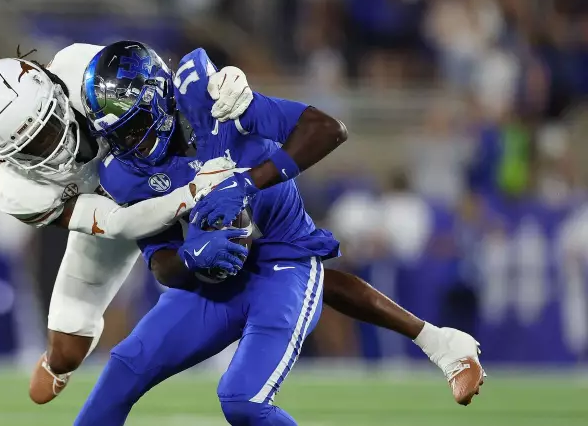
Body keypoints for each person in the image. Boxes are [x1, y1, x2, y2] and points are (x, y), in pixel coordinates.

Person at [74, 41, 485, 425]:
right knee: (125, 368)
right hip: (214, 280)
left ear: (159, 98)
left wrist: (248, 181)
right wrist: (189, 259)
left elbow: (327, 130)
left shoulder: (219, 100)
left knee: (241, 400)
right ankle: (441, 342)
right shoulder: (124, 174)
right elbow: (160, 261)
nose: (128, 145)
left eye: (133, 128)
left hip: (282, 263)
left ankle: (441, 342)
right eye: (116, 135)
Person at [0, 44, 255, 403]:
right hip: (107, 208)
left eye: (49, 128)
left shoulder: (79, 66)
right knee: (67, 351)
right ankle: (56, 363)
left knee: (229, 234)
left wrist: (221, 86)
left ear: (56, 91)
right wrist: (190, 194)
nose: (52, 147)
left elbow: (158, 86)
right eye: (32, 147)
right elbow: (118, 223)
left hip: (160, 165)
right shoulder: (20, 193)